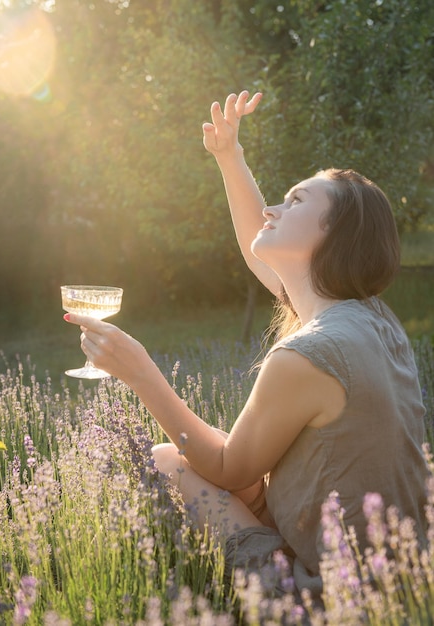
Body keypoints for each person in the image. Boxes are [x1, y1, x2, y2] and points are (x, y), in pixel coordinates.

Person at [64, 91, 428, 600]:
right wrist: (229, 156)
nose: (273, 211)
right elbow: (260, 241)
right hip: (401, 583)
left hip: (332, 598)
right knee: (220, 462)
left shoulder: (307, 355)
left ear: (334, 235)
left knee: (169, 461)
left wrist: (139, 371)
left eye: (296, 200)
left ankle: (179, 591)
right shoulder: (371, 319)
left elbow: (228, 468)